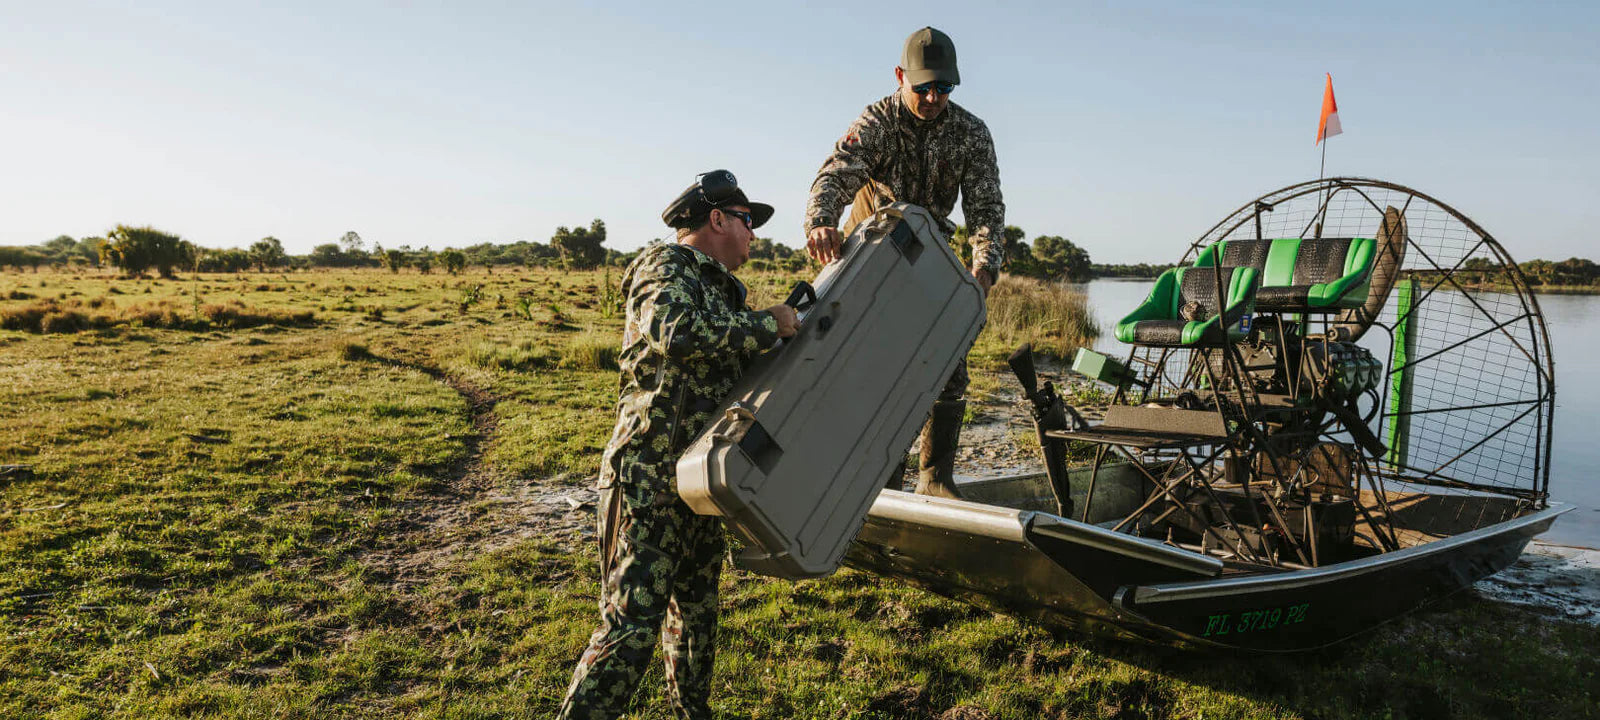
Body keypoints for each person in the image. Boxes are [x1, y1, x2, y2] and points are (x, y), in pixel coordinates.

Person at [557, 171, 800, 720]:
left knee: (696, 619)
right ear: (717, 219)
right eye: (747, 221)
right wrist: (765, 324)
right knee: (630, 629)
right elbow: (676, 330)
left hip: (697, 480)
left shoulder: (721, 290)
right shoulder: (663, 267)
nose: (753, 236)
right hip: (647, 482)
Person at [804, 26, 1005, 499]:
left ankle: (935, 480)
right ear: (900, 77)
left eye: (944, 88)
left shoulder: (972, 133)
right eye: (923, 87)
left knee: (949, 361)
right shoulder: (877, 121)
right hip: (872, 253)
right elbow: (834, 176)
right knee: (880, 369)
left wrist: (985, 266)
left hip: (931, 254)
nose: (933, 97)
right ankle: (881, 481)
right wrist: (820, 221)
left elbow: (986, 208)